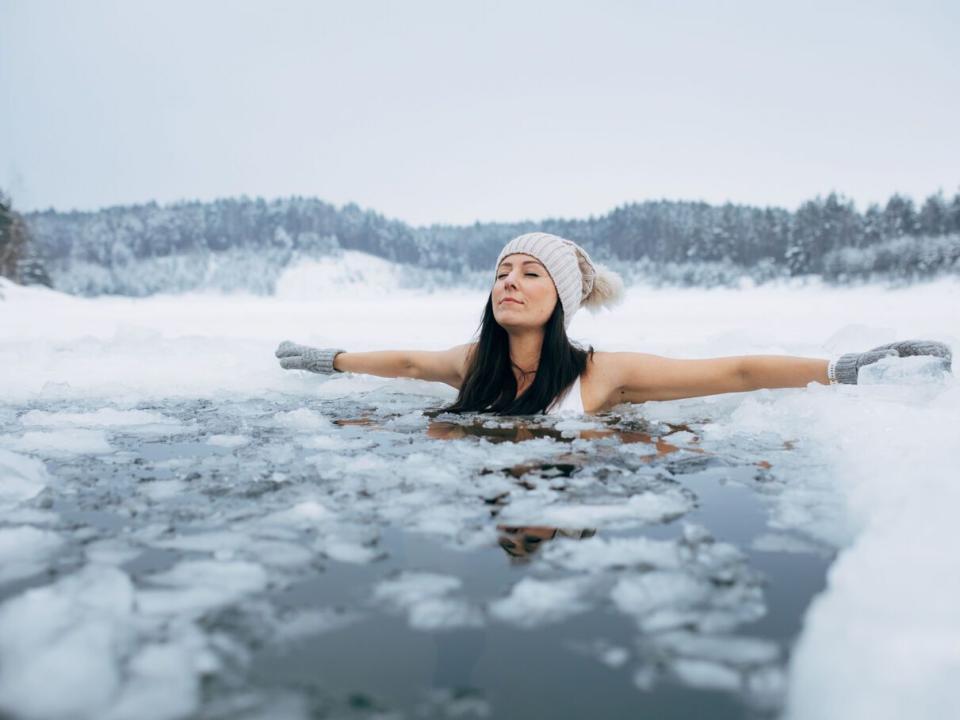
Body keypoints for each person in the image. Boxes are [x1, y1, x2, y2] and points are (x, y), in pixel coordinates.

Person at [275, 232, 953, 415]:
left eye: (529, 273)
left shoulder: (604, 375)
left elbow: (734, 371)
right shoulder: (471, 363)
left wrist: (842, 368)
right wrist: (327, 358)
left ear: (562, 299)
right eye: (502, 272)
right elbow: (406, 363)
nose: (509, 282)